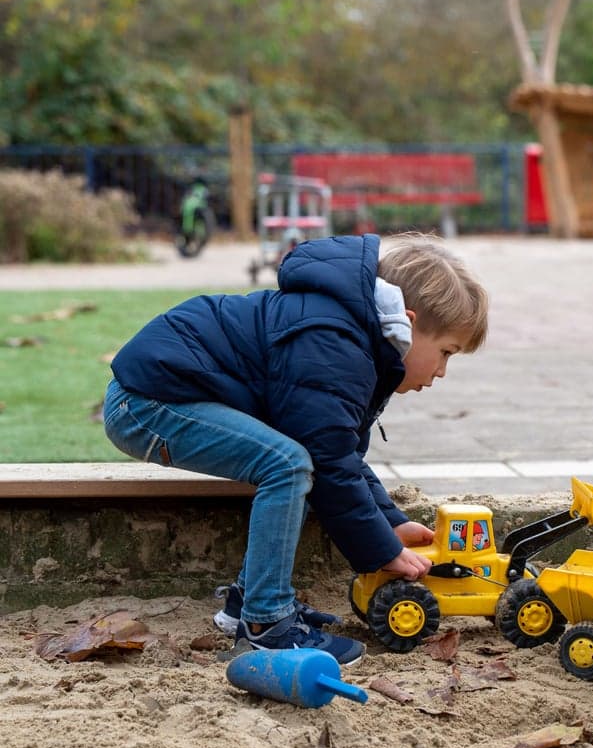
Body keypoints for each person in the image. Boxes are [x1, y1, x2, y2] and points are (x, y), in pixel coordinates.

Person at [103, 233, 488, 665]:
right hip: (148, 403)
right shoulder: (333, 342)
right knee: (288, 464)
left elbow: (337, 452)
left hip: (163, 395)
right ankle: (266, 625)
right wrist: (382, 551)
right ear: (409, 324)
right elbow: (328, 460)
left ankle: (246, 604)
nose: (441, 372)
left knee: (300, 460)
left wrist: (390, 522)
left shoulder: (351, 337)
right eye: (445, 352)